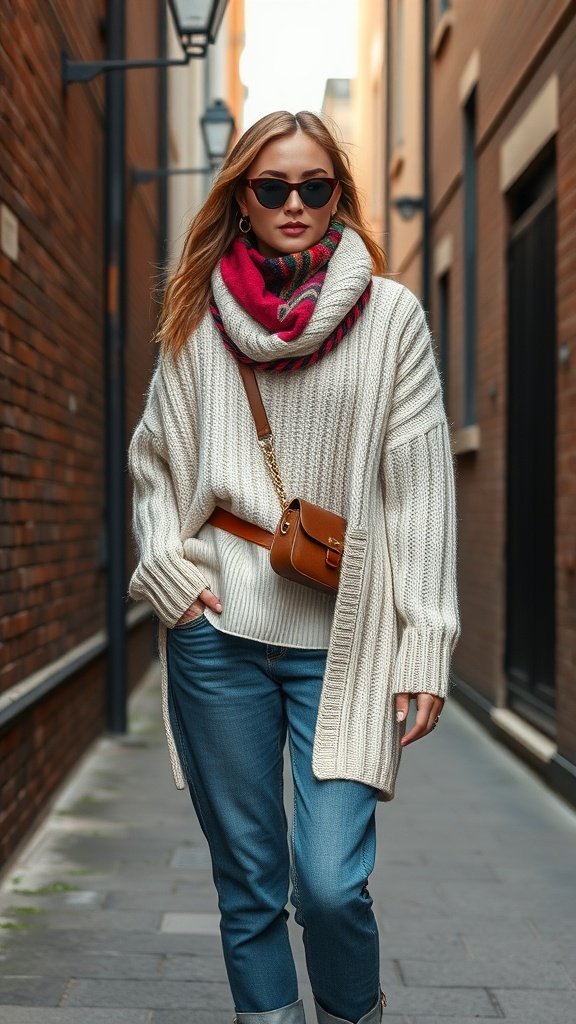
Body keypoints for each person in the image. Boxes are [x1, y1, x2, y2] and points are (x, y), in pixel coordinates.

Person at [127, 110, 460, 1024]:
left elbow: (421, 486)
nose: (294, 204)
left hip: (345, 639)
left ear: (338, 196)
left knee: (329, 885)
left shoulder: (392, 319)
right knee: (248, 885)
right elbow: (155, 463)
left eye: (315, 186)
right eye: (272, 187)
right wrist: (170, 573)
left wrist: (426, 640)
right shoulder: (198, 319)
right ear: (241, 198)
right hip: (217, 627)